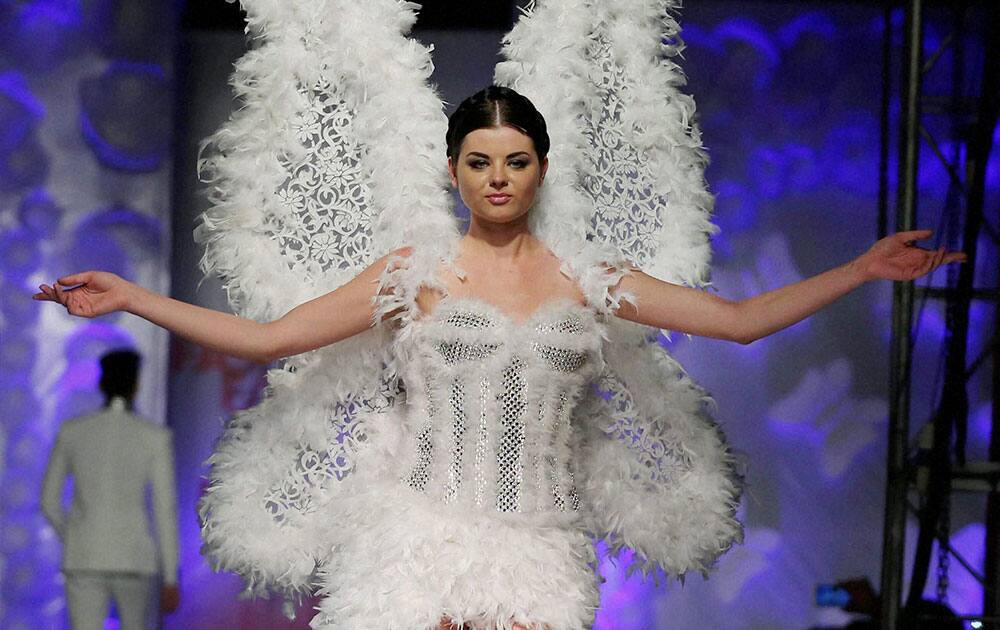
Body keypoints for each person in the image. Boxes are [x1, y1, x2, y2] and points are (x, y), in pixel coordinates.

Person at [36, 87, 965, 630]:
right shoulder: (416, 273)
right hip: (418, 538)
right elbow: (272, 338)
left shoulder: (589, 278)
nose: (497, 178)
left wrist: (860, 267)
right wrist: (131, 296)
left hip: (542, 548)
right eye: (479, 160)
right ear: (454, 172)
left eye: (516, 160)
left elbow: (740, 319)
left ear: (541, 169)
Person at [41, 349, 180, 630]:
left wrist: (75, 535)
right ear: (136, 385)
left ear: (102, 383)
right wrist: (170, 577)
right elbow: (164, 509)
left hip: (84, 557)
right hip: (135, 558)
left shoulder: (72, 431)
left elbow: (48, 500)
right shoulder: (154, 437)